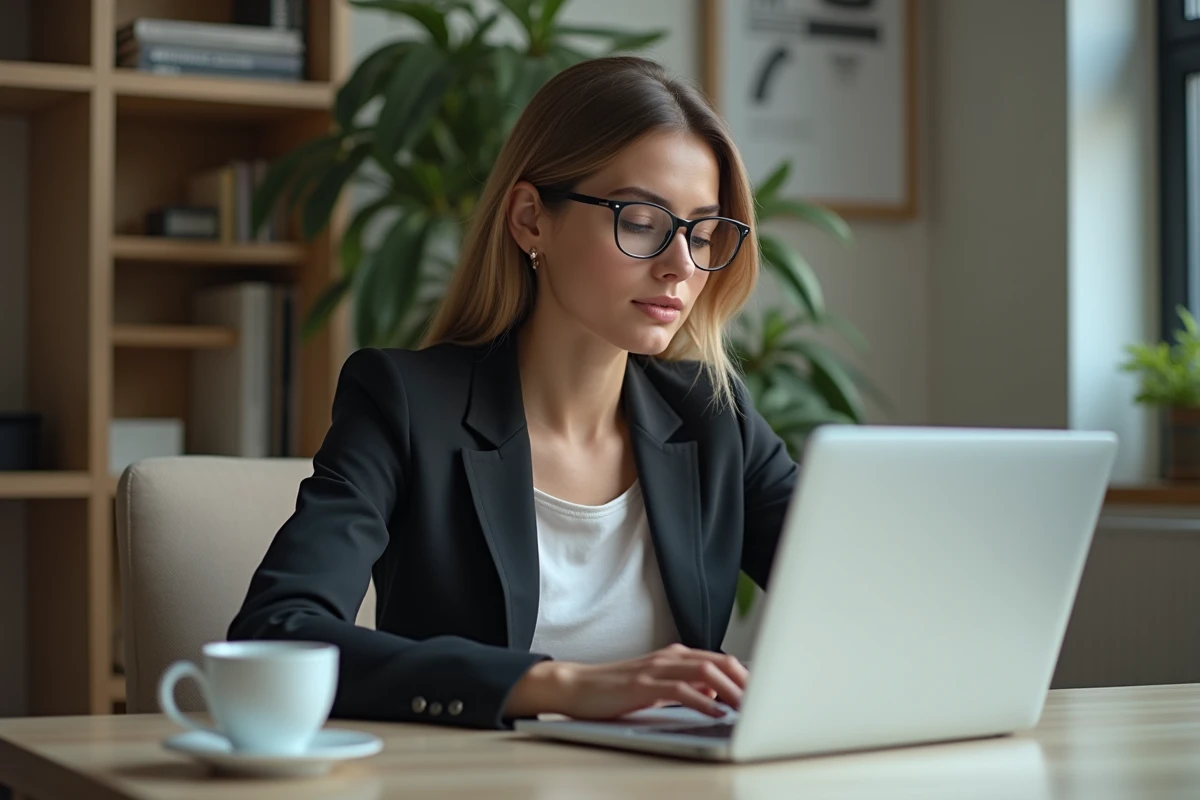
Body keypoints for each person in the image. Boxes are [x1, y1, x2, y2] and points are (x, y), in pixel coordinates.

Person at [227, 55, 799, 730]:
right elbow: (277, 631)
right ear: (531, 219)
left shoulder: (714, 418)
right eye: (642, 222)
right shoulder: (406, 405)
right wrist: (557, 685)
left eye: (703, 233)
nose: (681, 265)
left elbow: (869, 590)